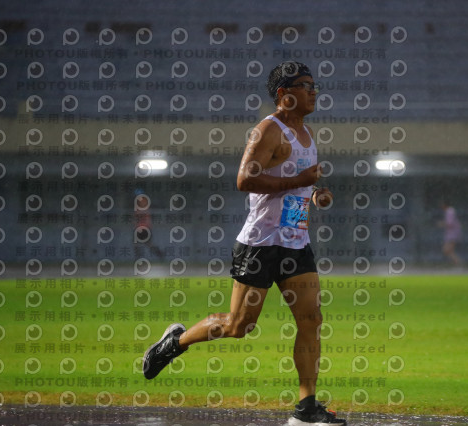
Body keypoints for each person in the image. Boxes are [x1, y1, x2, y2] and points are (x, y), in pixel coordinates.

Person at [142, 61, 345, 425]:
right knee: (239, 326)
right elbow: (244, 179)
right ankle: (174, 342)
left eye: (315, 85)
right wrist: (298, 180)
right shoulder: (268, 130)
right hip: (261, 244)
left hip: (295, 242)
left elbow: (301, 182)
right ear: (284, 94)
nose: (314, 92)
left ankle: (306, 408)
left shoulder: (307, 133)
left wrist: (316, 194)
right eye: (305, 85)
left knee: (311, 319)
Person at [438, 201, 462, 266]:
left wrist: (441, 224)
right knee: (447, 250)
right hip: (452, 234)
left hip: (452, 234)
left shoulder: (450, 211)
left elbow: (450, 223)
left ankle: (458, 263)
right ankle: (457, 263)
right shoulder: (450, 211)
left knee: (447, 250)